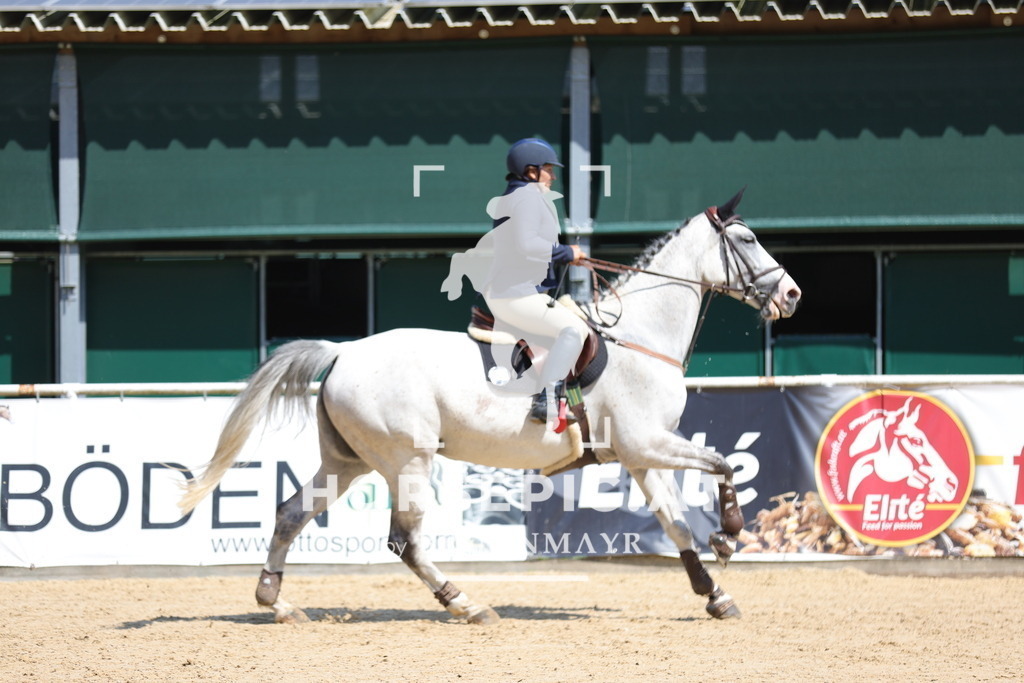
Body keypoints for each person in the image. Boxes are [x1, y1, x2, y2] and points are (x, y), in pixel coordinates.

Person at [441, 138, 590, 433]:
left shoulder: (520, 195)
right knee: (572, 331)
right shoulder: (526, 197)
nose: (553, 176)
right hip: (515, 294)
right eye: (548, 169)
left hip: (517, 291)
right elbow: (527, 245)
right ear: (531, 171)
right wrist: (567, 253)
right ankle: (547, 400)